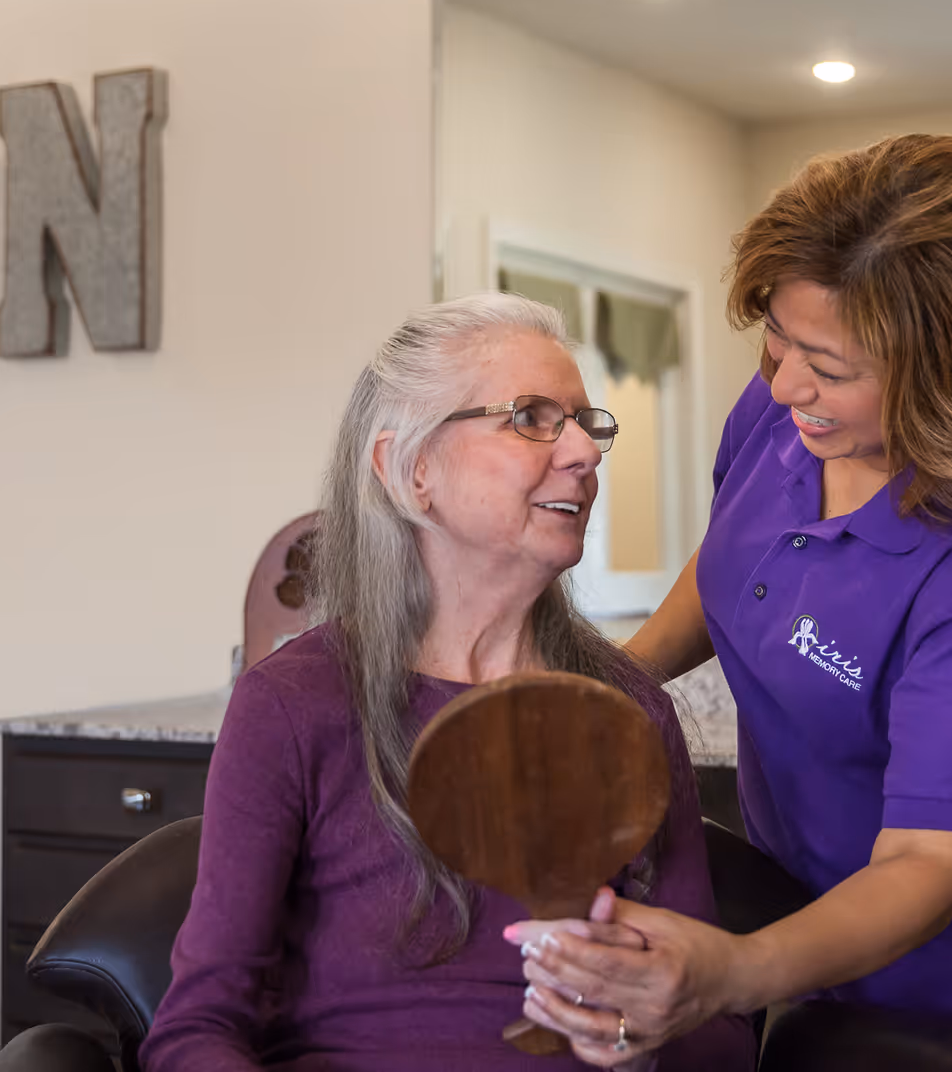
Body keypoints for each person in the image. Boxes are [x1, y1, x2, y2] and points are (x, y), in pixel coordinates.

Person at [511, 134, 952, 1061]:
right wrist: (618, 685)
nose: (786, 383)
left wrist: (733, 970)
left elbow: (924, 865)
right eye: (778, 340)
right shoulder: (787, 413)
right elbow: (731, 563)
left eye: (829, 368)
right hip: (786, 900)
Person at [142, 294, 756, 1070]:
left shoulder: (629, 710)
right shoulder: (292, 706)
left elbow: (724, 1041)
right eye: (531, 418)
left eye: (586, 423)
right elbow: (195, 1032)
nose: (585, 453)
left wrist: (644, 1043)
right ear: (412, 470)